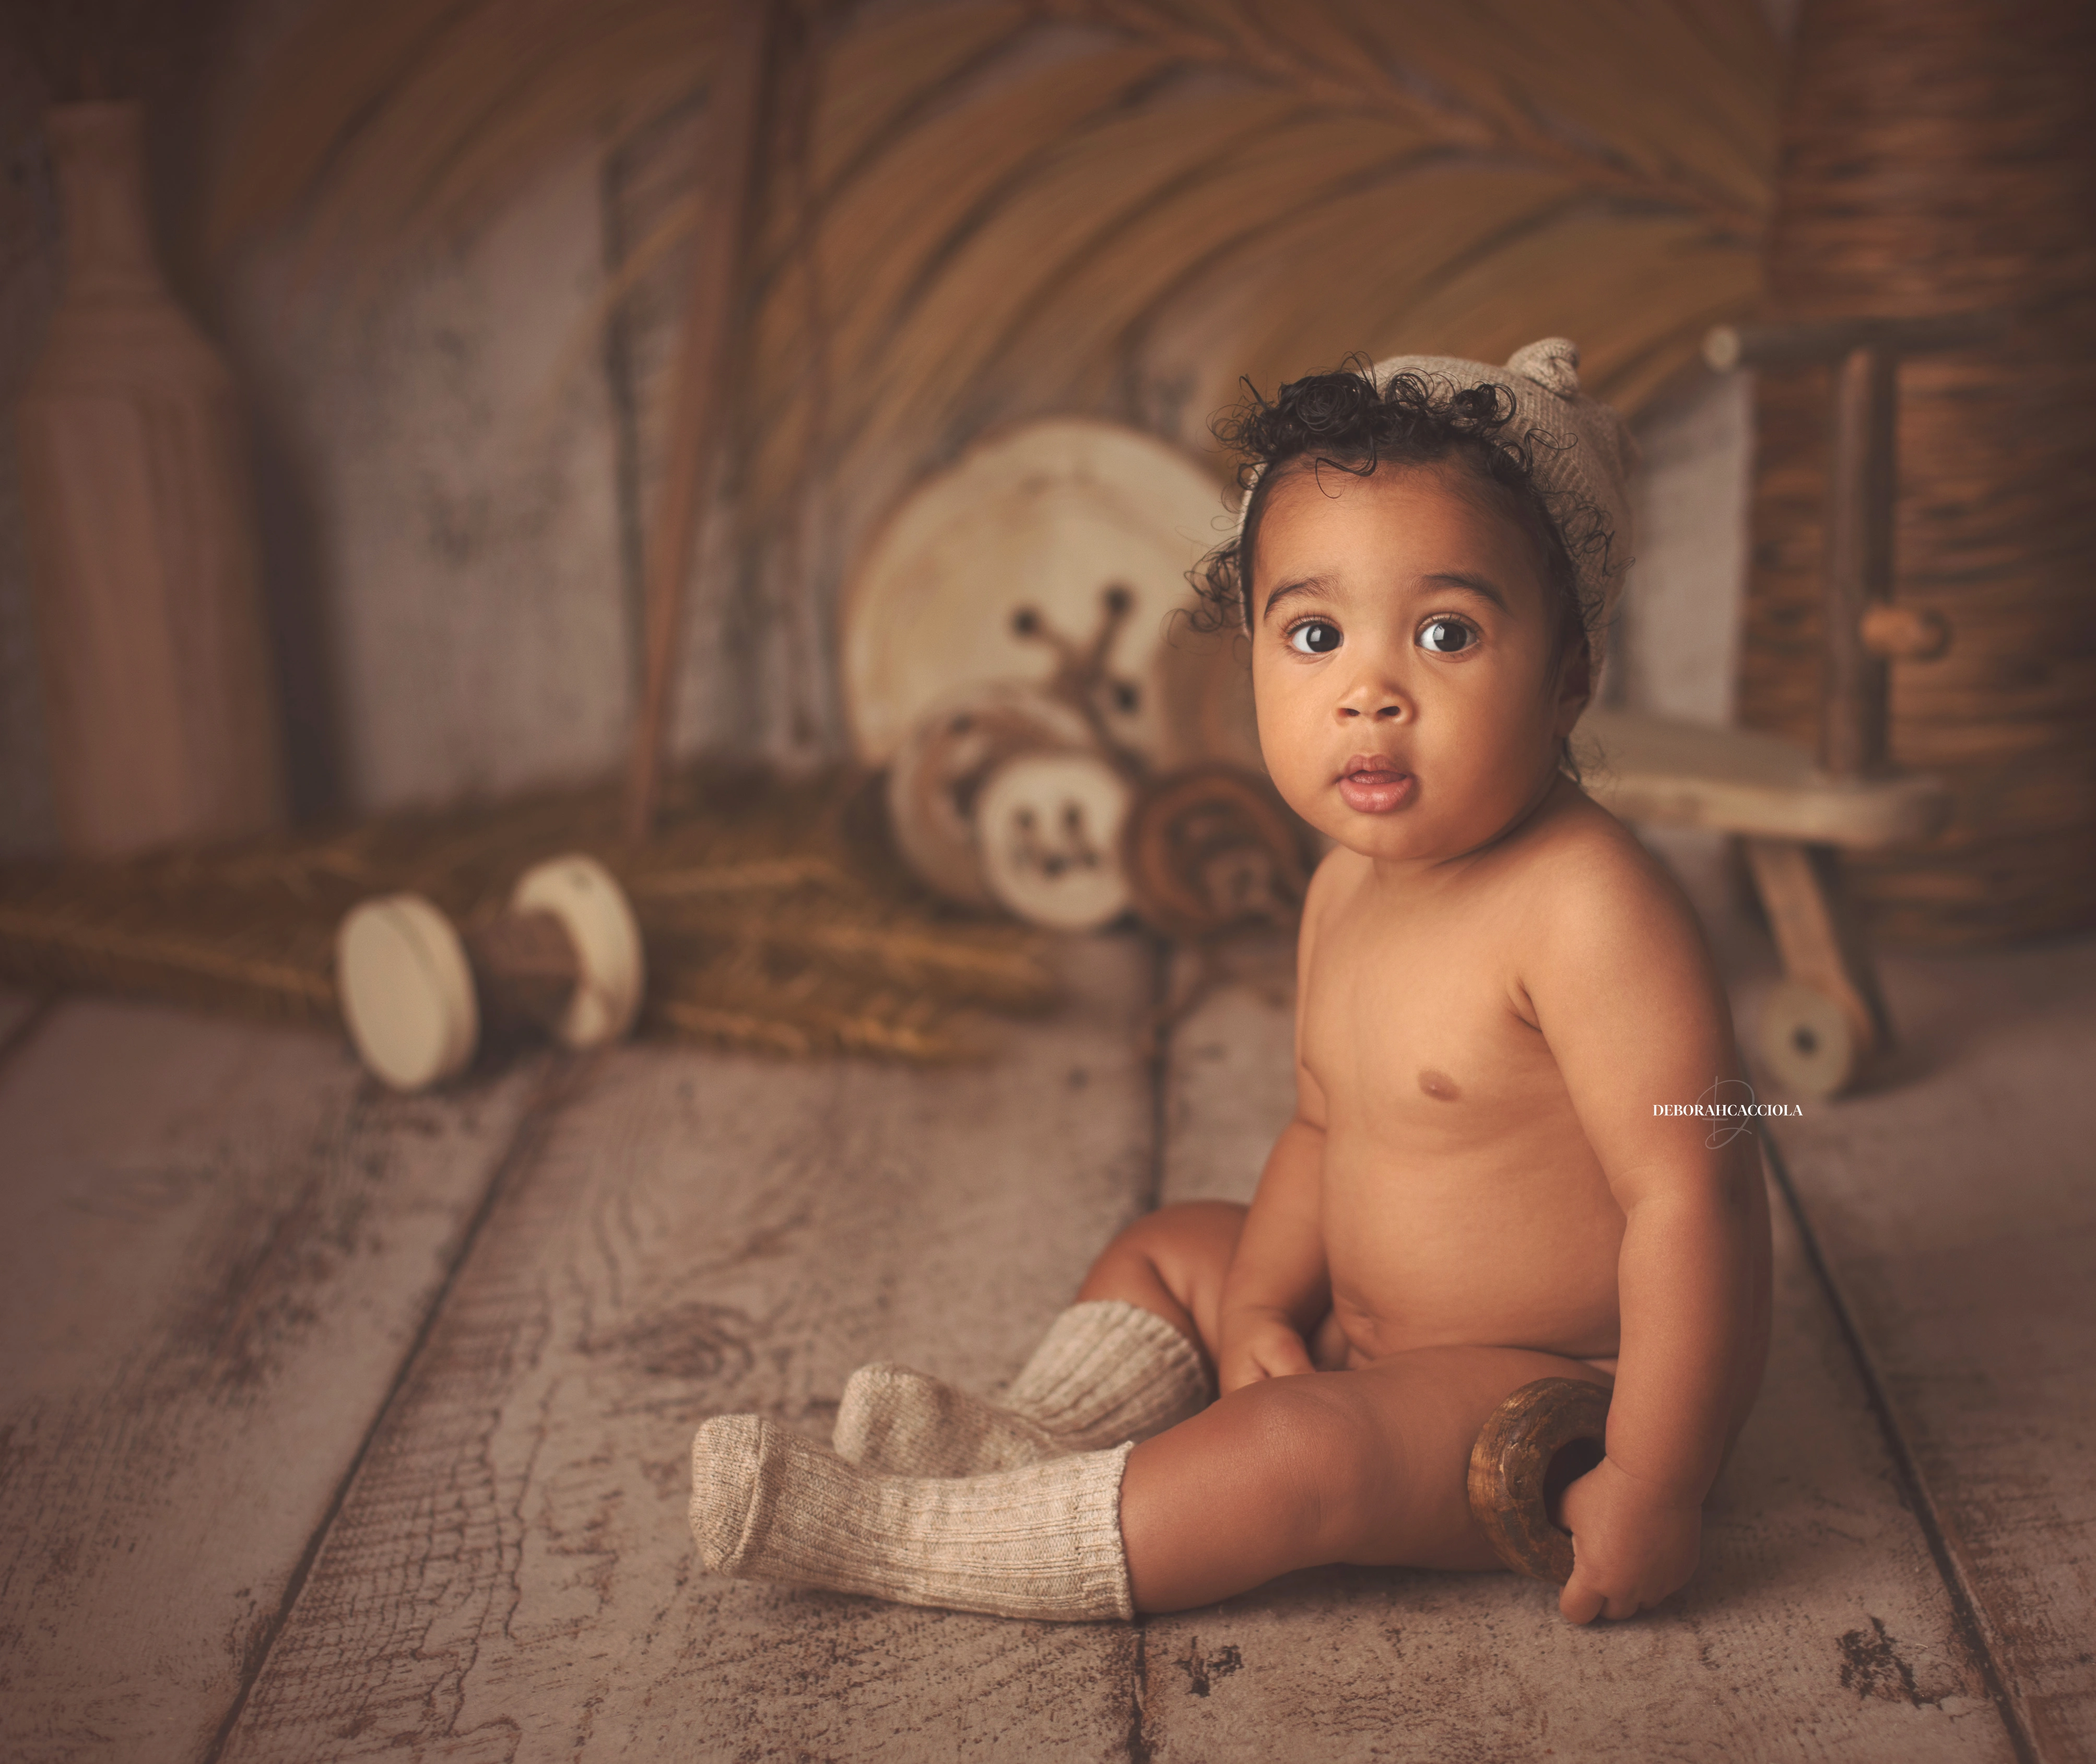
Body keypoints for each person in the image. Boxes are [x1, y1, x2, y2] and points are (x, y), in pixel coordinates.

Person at [687, 338, 1772, 1627]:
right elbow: (1324, 1129)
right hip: (1365, 1338)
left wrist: (1654, 1478)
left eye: (1446, 634)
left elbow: (1696, 1193)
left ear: (1568, 678)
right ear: (1250, 654)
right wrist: (1259, 1305)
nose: (1369, 693)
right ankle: (1033, 1439)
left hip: (1554, 1397)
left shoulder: (1591, 907)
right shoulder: (1345, 885)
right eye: (1314, 634)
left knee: (1300, 1453)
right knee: (1168, 1250)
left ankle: (921, 1535)